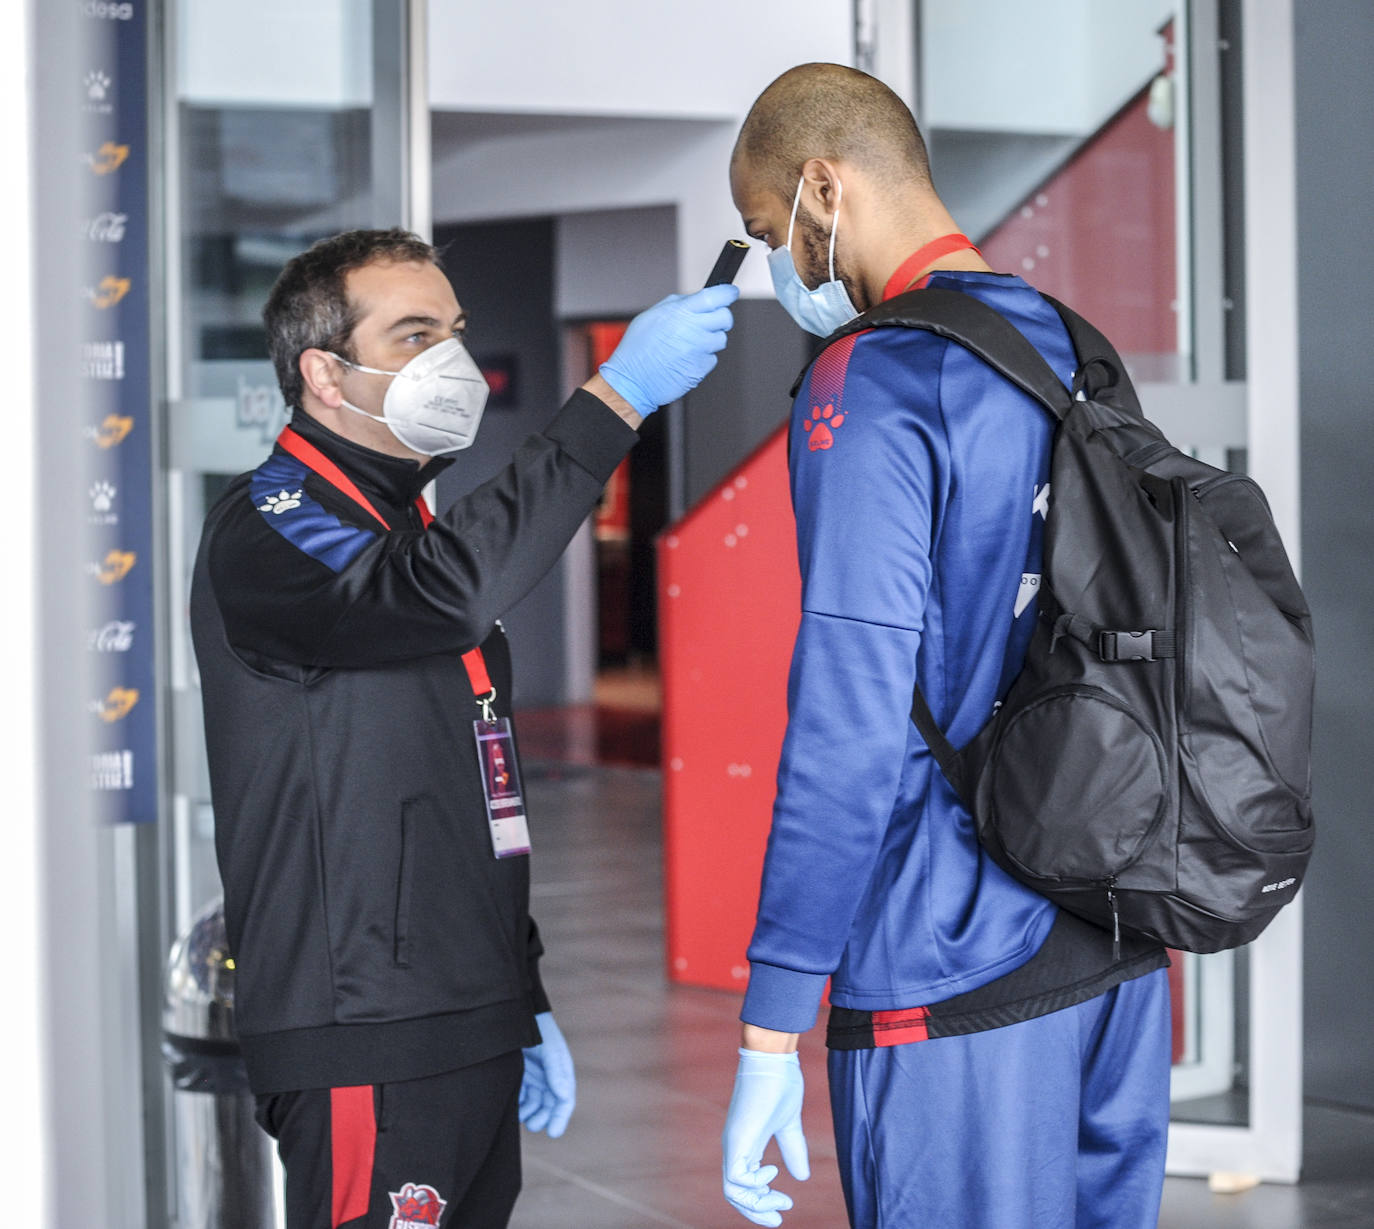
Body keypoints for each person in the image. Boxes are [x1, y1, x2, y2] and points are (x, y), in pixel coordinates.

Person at [189, 227, 737, 1229]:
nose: (453, 358)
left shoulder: (398, 527)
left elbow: (476, 786)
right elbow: (444, 594)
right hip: (365, 1027)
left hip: (461, 1011)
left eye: (455, 328)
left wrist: (516, 991)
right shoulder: (274, 518)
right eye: (413, 333)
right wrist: (613, 401)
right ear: (322, 370)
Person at [720, 65, 1172, 1229]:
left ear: (825, 189)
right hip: (1111, 940)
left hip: (951, 962)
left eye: (771, 233)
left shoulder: (871, 378)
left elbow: (849, 709)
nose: (780, 268)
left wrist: (776, 1008)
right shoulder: (1072, 346)